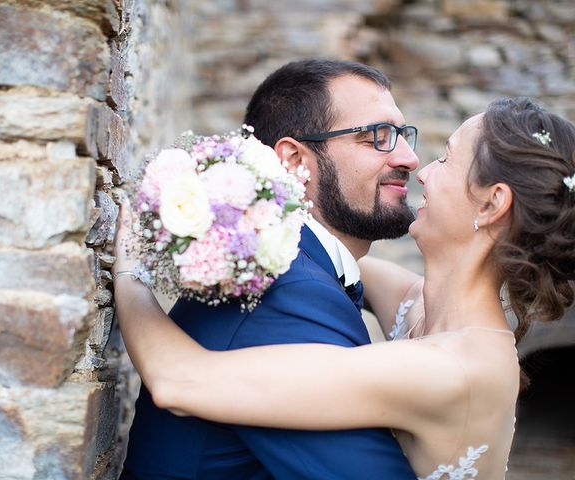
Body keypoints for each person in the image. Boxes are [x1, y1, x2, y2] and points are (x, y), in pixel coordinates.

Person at [114, 97, 575, 479]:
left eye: (447, 158)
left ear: (493, 203)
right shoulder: (424, 305)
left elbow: (179, 381)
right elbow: (326, 246)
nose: (422, 172)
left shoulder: (451, 370)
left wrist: (131, 269)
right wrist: (251, 200)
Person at [118, 59, 420, 479]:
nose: (410, 158)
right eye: (379, 137)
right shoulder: (291, 292)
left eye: (404, 136)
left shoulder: (282, 265)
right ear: (294, 160)